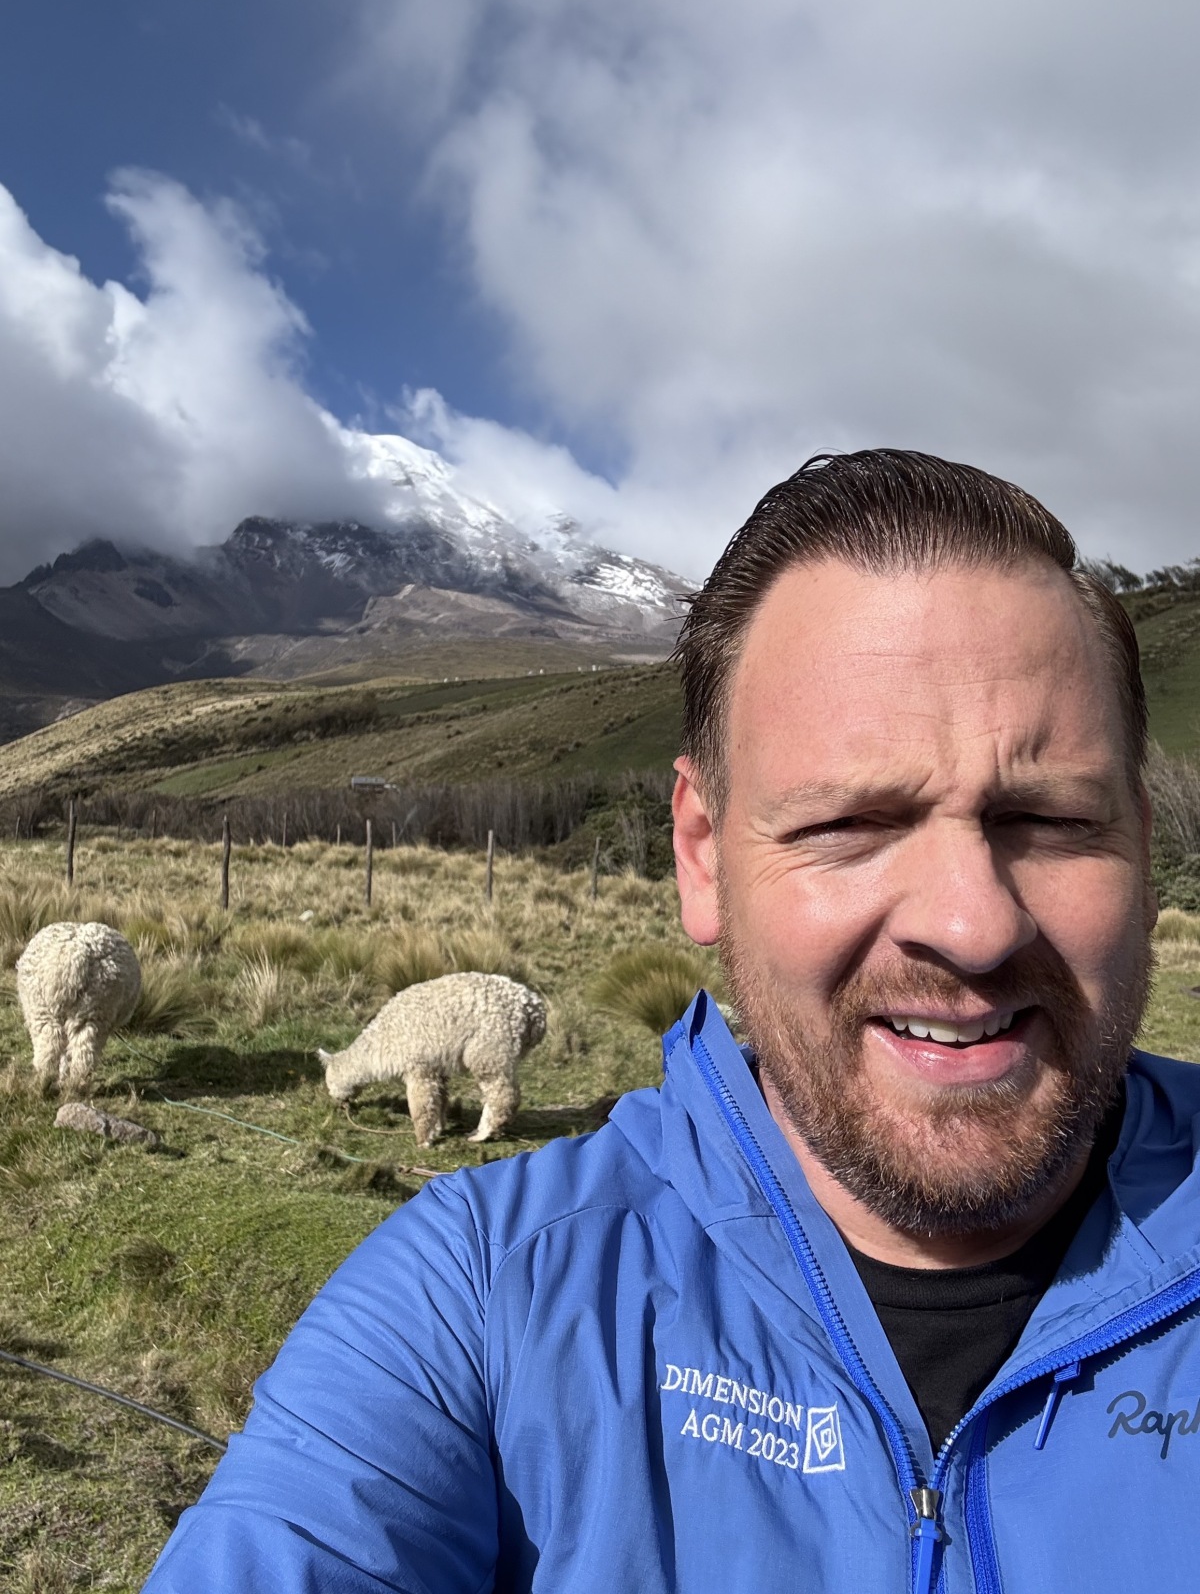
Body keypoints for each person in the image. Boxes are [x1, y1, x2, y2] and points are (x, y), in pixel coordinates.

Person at [143, 450, 1199, 1594]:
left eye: (1046, 817)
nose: (972, 923)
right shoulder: (481, 1297)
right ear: (701, 853)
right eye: (850, 821)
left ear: (1143, 848)